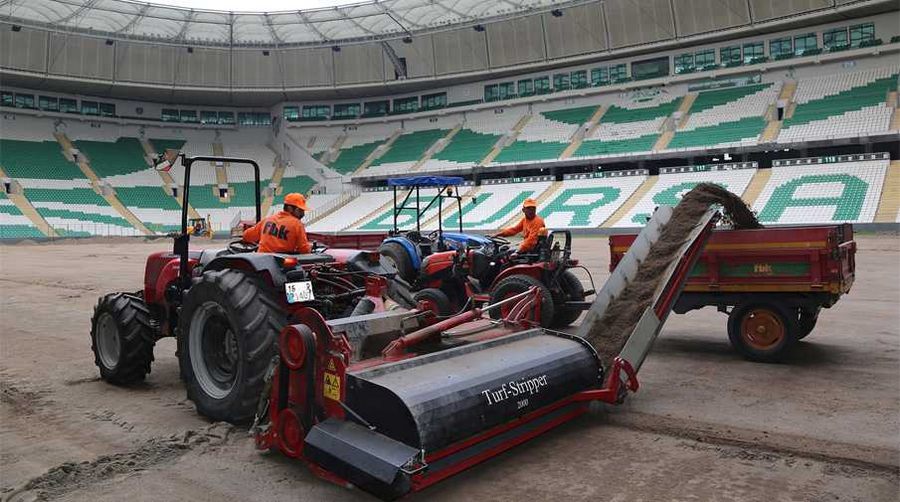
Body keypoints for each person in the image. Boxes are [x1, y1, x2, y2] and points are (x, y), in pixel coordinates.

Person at [242, 193, 312, 253]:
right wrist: (310, 248)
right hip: (280, 265)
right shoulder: (297, 224)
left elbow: (246, 236)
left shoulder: (268, 220)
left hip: (260, 262)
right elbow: (304, 250)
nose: (303, 214)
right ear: (290, 208)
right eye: (300, 211)